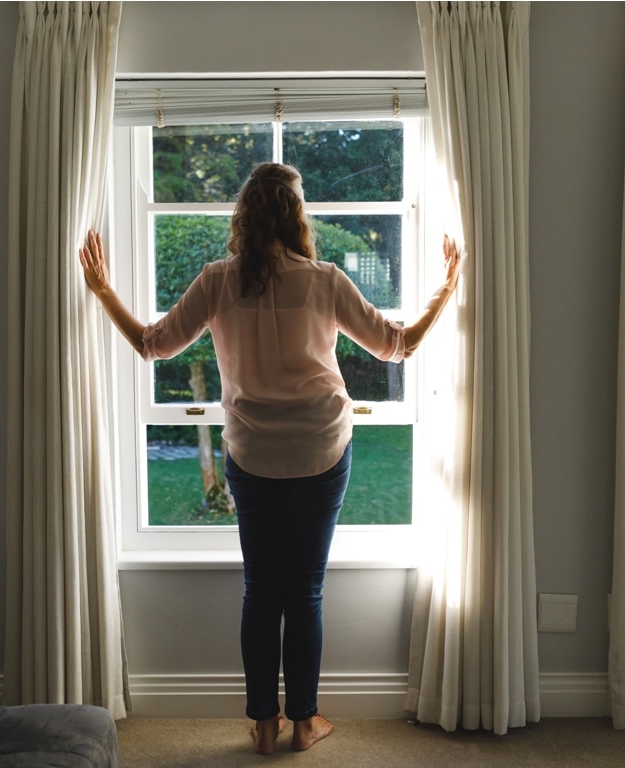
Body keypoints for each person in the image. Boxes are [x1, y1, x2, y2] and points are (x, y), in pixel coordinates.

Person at [79, 162, 460, 754]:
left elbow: (152, 344)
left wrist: (103, 290)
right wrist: (445, 289)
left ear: (244, 217)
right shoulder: (324, 279)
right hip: (320, 449)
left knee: (262, 590)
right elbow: (397, 345)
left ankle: (263, 723)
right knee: (304, 590)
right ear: (295, 216)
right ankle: (304, 722)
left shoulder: (216, 280)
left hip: (251, 453)